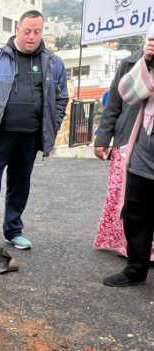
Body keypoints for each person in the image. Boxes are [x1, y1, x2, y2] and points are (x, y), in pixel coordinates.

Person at [0, 10, 68, 250]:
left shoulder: (54, 62)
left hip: (29, 137)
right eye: (27, 31)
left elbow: (61, 98)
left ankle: (14, 230)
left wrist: (52, 124)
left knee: (19, 185)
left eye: (37, 31)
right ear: (17, 30)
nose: (32, 37)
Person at [103, 35, 154, 287]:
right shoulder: (145, 61)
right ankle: (135, 269)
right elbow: (126, 94)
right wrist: (146, 60)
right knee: (137, 214)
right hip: (143, 153)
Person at [93, 49, 151, 260]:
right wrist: (102, 138)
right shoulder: (131, 63)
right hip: (127, 141)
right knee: (126, 198)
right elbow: (115, 103)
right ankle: (127, 247)